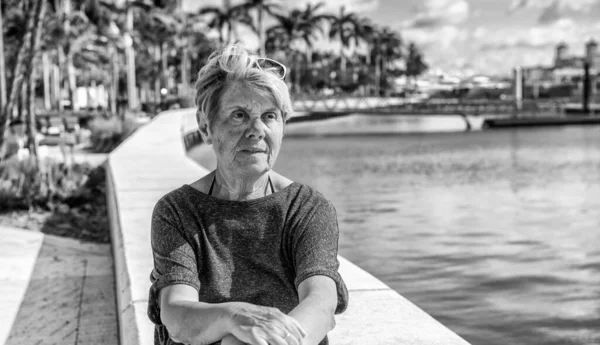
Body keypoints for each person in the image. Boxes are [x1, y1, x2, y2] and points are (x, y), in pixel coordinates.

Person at [148, 44, 349, 345]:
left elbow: (321, 302)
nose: (257, 130)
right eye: (239, 115)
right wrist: (235, 318)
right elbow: (177, 313)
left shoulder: (307, 209)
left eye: (269, 116)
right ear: (205, 127)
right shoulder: (178, 211)